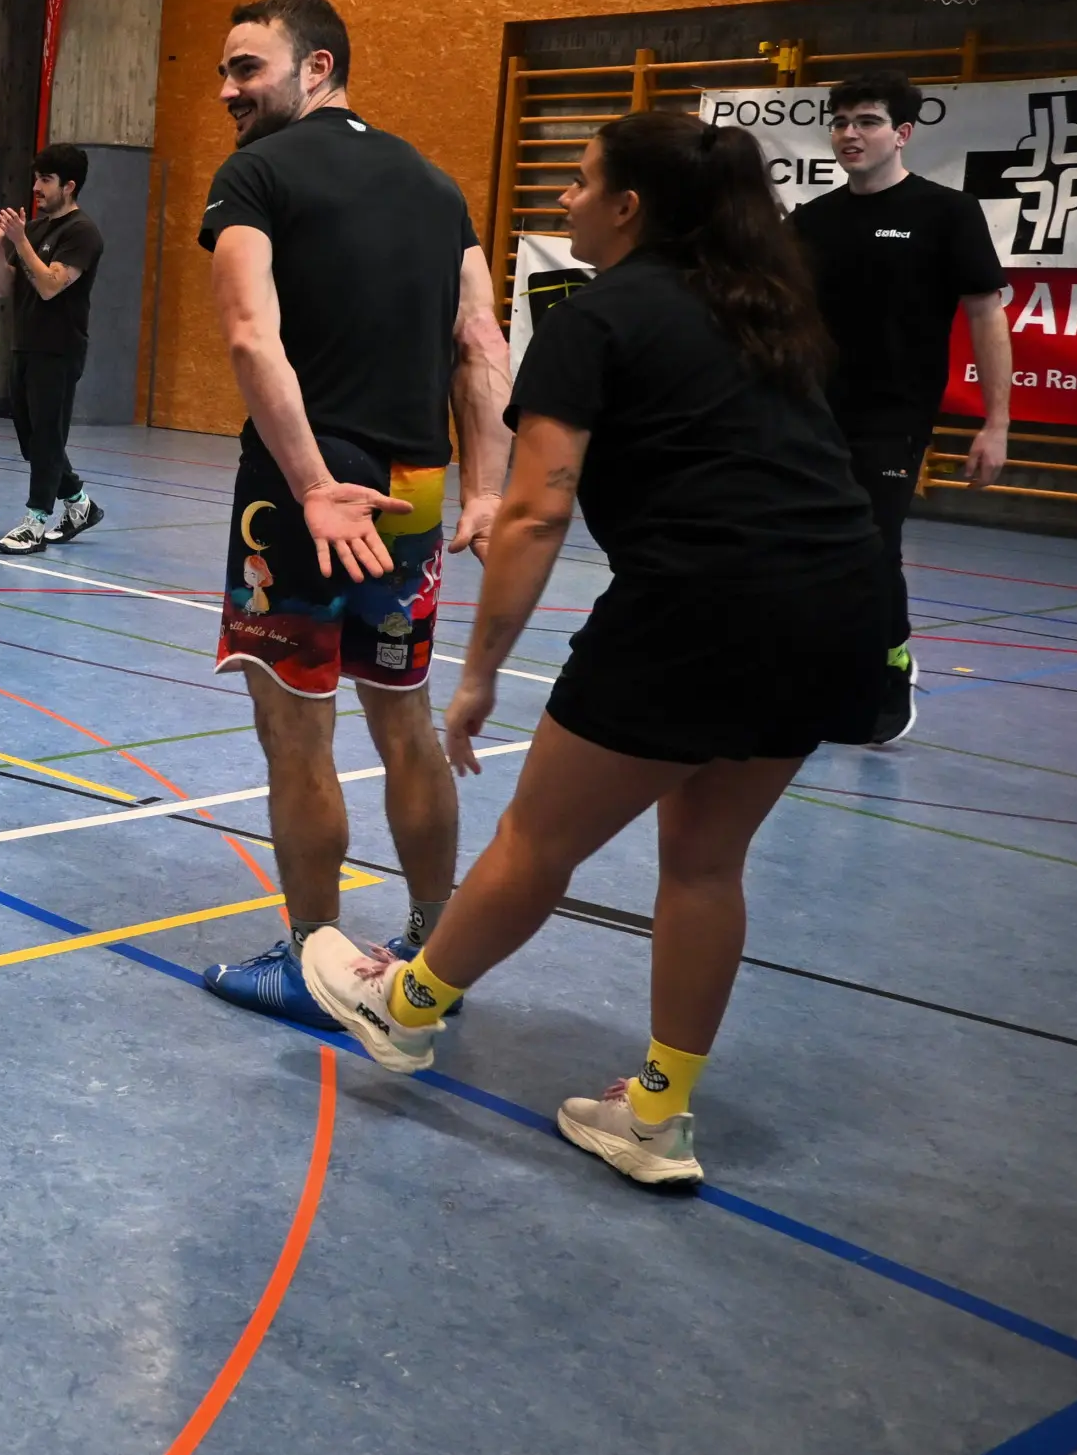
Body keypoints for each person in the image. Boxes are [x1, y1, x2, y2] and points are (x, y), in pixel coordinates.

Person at [298, 111, 887, 1190]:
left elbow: (532, 513)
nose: (561, 200)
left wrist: (474, 677)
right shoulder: (764, 311)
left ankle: (407, 1006)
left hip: (702, 609)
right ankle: (657, 1115)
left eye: (578, 182)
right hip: (844, 603)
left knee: (534, 838)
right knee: (707, 860)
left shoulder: (594, 317)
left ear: (629, 207)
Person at [191, 0, 512, 1029]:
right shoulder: (439, 186)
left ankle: (314, 960)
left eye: (249, 67)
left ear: (317, 66)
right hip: (413, 488)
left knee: (297, 733)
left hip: (306, 494)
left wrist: (309, 478)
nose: (231, 90)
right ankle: (431, 955)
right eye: (227, 72)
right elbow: (483, 346)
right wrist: (489, 485)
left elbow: (250, 334)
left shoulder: (255, 173)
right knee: (403, 715)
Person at [791, 71, 1012, 745]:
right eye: (840, 122)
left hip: (892, 416)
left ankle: (890, 663)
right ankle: (811, 670)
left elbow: (986, 316)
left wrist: (995, 422)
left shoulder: (946, 213)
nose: (849, 134)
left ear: (902, 133)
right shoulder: (812, 220)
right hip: (808, 410)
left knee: (872, 547)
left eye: (866, 122)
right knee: (802, 544)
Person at [0, 143, 107, 552]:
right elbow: (4, 285)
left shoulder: (82, 233)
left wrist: (21, 241)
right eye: (36, 178)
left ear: (69, 186)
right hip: (25, 346)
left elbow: (51, 285)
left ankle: (35, 520)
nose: (36, 187)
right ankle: (79, 504)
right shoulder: (31, 230)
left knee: (47, 438)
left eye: (45, 180)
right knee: (33, 441)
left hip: (59, 349)